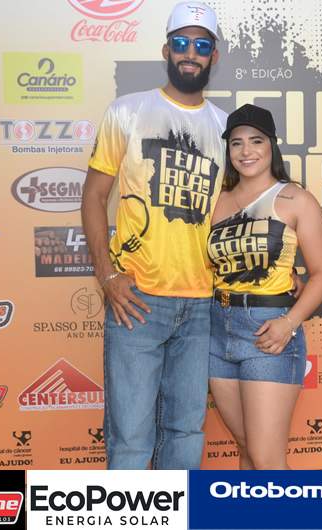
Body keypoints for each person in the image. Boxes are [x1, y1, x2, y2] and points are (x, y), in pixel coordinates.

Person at [81, 1, 227, 470]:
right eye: (181, 43)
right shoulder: (127, 111)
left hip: (202, 302)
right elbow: (93, 196)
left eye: (201, 45)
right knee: (130, 438)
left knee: (186, 431)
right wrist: (107, 275)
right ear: (166, 49)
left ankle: (177, 509)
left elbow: (239, 211)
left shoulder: (226, 128)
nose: (190, 53)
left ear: (213, 56)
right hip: (138, 299)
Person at [207, 104, 322, 469]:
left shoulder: (295, 199)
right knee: (247, 448)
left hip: (268, 330)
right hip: (216, 328)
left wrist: (289, 323)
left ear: (272, 145)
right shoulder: (216, 201)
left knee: (266, 459)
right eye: (236, 143)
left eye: (256, 141)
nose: (246, 151)